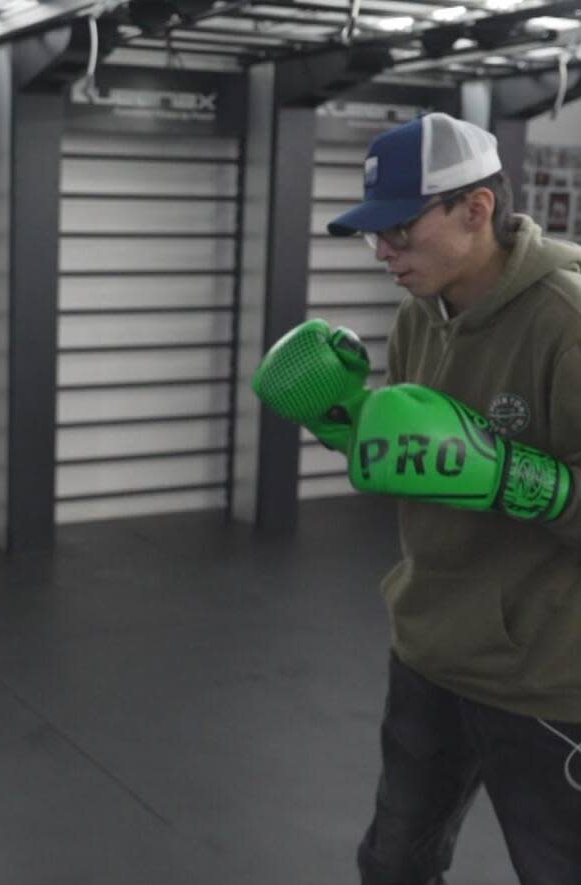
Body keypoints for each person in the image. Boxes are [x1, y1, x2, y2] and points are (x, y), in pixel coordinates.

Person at [253, 113, 581, 884]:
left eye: (399, 229)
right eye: (373, 234)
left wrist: (515, 478)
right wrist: (350, 427)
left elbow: (485, 469)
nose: (383, 253)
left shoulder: (566, 322)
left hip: (544, 674)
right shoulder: (417, 315)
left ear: (476, 209)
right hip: (430, 648)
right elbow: (422, 459)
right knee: (393, 863)